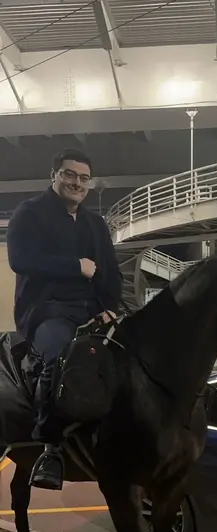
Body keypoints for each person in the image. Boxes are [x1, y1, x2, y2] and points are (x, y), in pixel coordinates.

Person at [7, 148, 122, 491]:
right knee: (59, 358)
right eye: (69, 175)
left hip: (92, 310)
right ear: (54, 176)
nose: (77, 183)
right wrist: (75, 267)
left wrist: (110, 307)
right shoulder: (29, 213)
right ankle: (51, 447)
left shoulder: (95, 224)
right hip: (47, 310)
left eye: (84, 178)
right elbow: (20, 259)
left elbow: (112, 273)